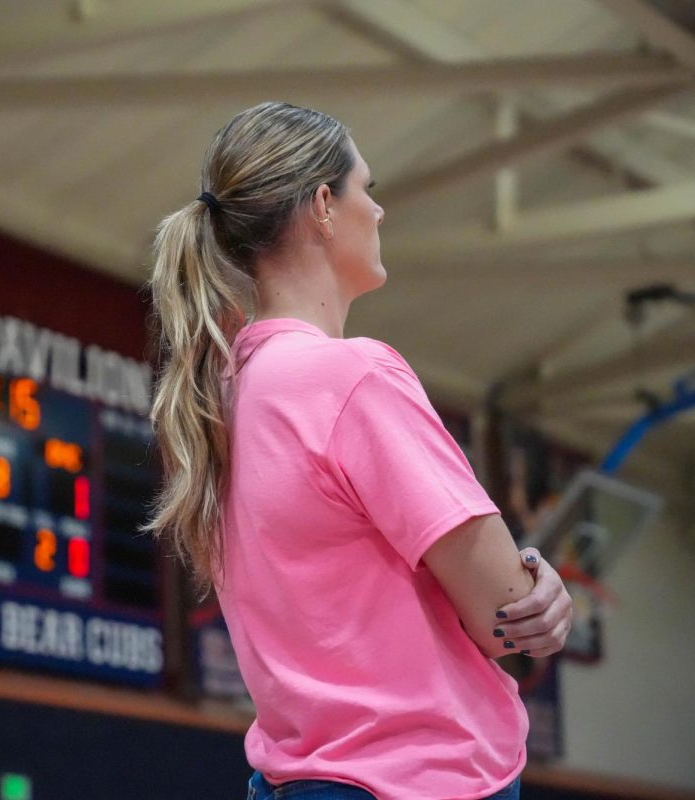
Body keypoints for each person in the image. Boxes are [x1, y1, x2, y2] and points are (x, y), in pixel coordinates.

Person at [144, 102, 572, 800]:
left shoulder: (221, 397)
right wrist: (542, 595)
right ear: (322, 205)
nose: (378, 211)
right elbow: (508, 622)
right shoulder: (350, 377)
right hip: (421, 782)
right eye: (366, 189)